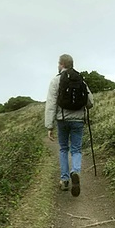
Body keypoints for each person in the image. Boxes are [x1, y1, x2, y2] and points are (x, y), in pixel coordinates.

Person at [45, 54, 94, 197]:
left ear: (61, 64)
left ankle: (65, 180)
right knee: (76, 149)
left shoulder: (56, 80)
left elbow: (51, 104)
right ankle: (75, 171)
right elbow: (90, 102)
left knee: (63, 149)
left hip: (63, 120)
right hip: (78, 120)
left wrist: (49, 126)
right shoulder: (80, 80)